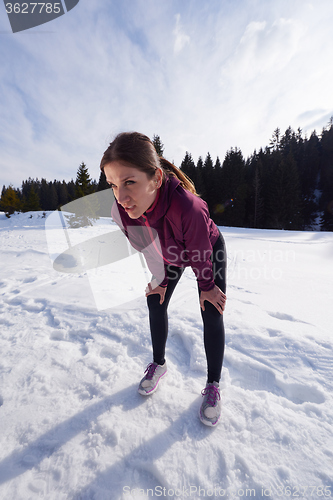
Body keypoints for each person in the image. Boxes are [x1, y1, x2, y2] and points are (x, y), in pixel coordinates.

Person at [100, 132, 227, 426]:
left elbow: (198, 251)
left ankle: (213, 386)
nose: (121, 196)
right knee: (155, 303)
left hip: (205, 249)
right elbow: (148, 246)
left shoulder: (189, 207)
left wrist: (207, 287)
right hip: (169, 253)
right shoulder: (121, 210)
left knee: (211, 310)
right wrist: (160, 279)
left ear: (156, 178)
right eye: (113, 185)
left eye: (129, 182)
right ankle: (158, 364)